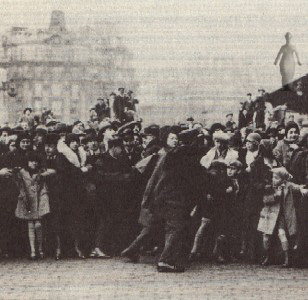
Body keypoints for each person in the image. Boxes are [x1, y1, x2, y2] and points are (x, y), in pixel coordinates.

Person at [257, 167, 307, 267]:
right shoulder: (268, 187)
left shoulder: (287, 186)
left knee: (282, 234)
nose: (273, 179)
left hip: (281, 216)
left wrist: (302, 188)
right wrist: (275, 196)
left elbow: (296, 187)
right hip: (269, 215)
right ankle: (267, 256)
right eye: (273, 177)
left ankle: (287, 258)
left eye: (276, 178)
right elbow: (264, 200)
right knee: (266, 237)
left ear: (283, 179)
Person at [14, 151, 54, 259]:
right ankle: (33, 250)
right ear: (27, 162)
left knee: (38, 224)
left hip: (39, 198)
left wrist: (44, 196)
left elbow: (51, 174)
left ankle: (40, 248)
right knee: (30, 224)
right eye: (31, 161)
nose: (34, 163)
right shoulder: (21, 172)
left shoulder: (41, 172)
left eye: (36, 161)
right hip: (27, 200)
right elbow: (17, 183)